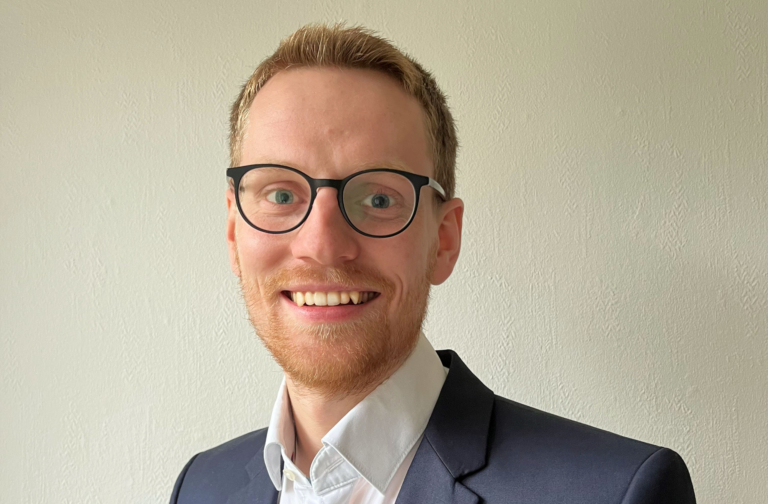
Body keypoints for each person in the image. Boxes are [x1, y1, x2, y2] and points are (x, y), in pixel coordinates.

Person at [170, 24, 696, 504]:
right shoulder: (199, 487)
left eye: (379, 198)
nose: (323, 245)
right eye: (281, 195)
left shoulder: (616, 493)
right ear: (234, 231)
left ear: (444, 239)